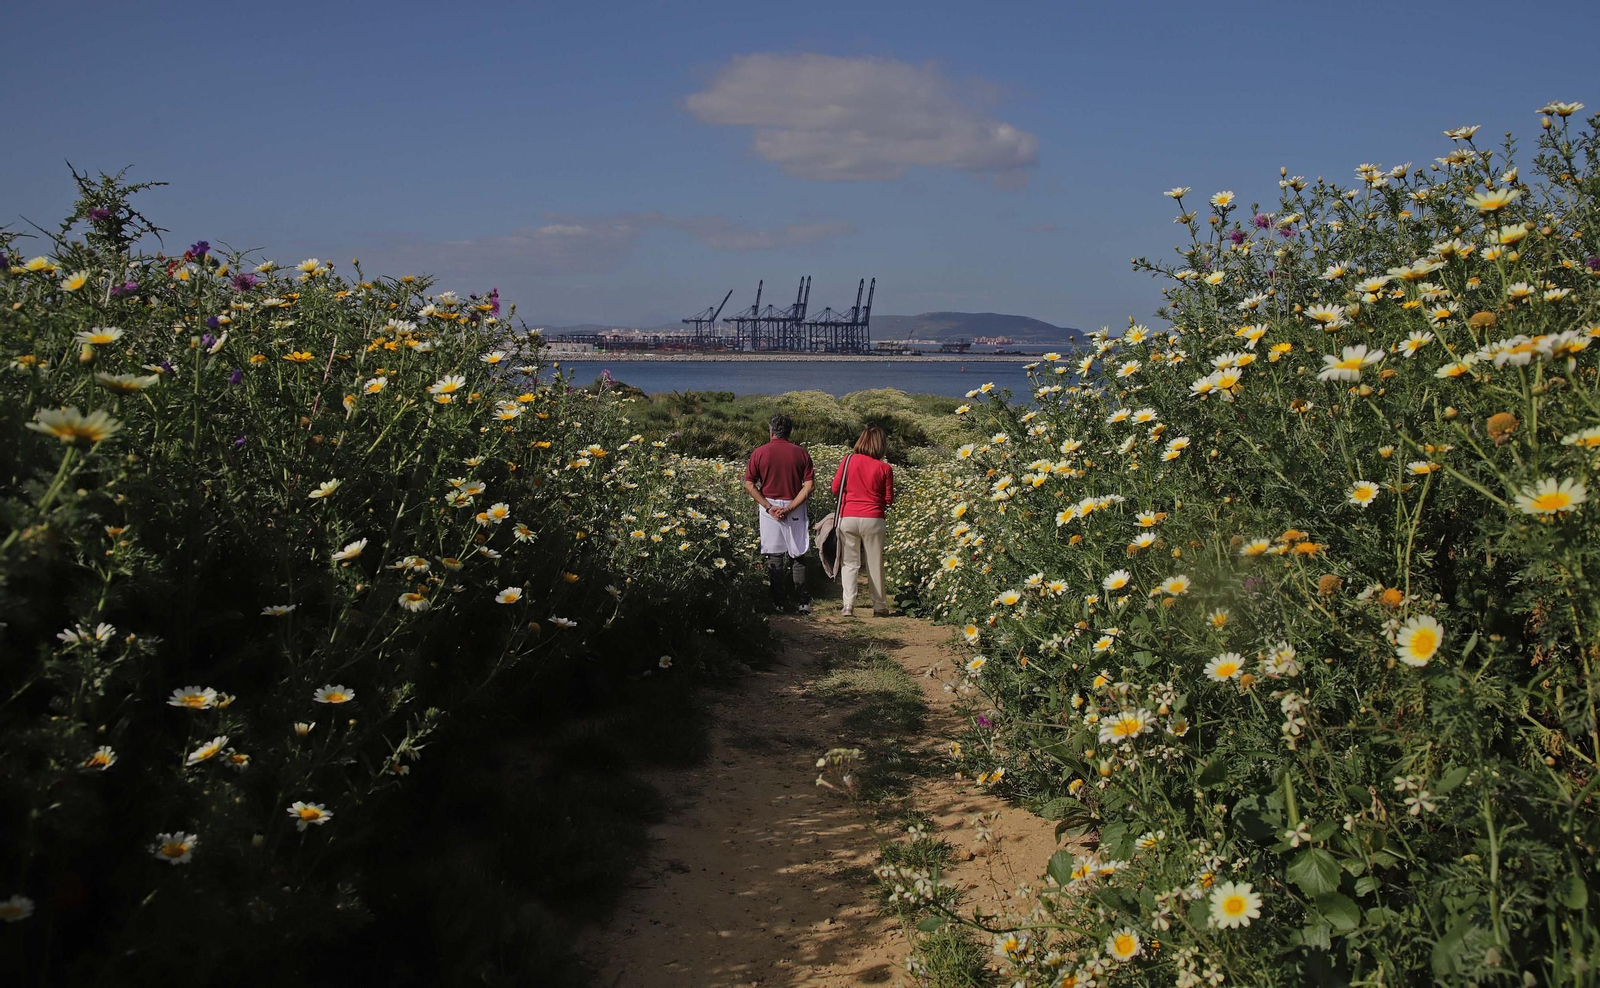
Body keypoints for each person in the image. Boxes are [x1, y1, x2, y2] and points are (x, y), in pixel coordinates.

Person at [743, 413, 814, 613]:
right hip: (795, 505)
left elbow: (749, 484)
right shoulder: (801, 453)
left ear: (771, 431)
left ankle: (778, 602)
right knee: (797, 553)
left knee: (775, 555)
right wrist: (790, 508)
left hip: (770, 509)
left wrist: (768, 506)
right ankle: (803, 602)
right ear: (789, 431)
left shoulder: (759, 453)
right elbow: (809, 486)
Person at [830, 425, 894, 617]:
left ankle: (848, 605)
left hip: (847, 516)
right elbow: (888, 499)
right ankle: (880, 606)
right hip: (873, 518)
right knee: (875, 562)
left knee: (849, 563)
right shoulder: (885, 468)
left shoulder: (848, 461)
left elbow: (835, 489)